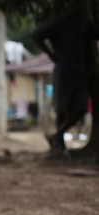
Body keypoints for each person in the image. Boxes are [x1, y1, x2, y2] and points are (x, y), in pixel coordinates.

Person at [32, 3, 99, 158]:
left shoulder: (85, 25)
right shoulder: (59, 24)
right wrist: (50, 54)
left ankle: (56, 135)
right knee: (62, 110)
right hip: (64, 73)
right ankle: (59, 146)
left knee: (81, 109)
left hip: (82, 74)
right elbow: (36, 35)